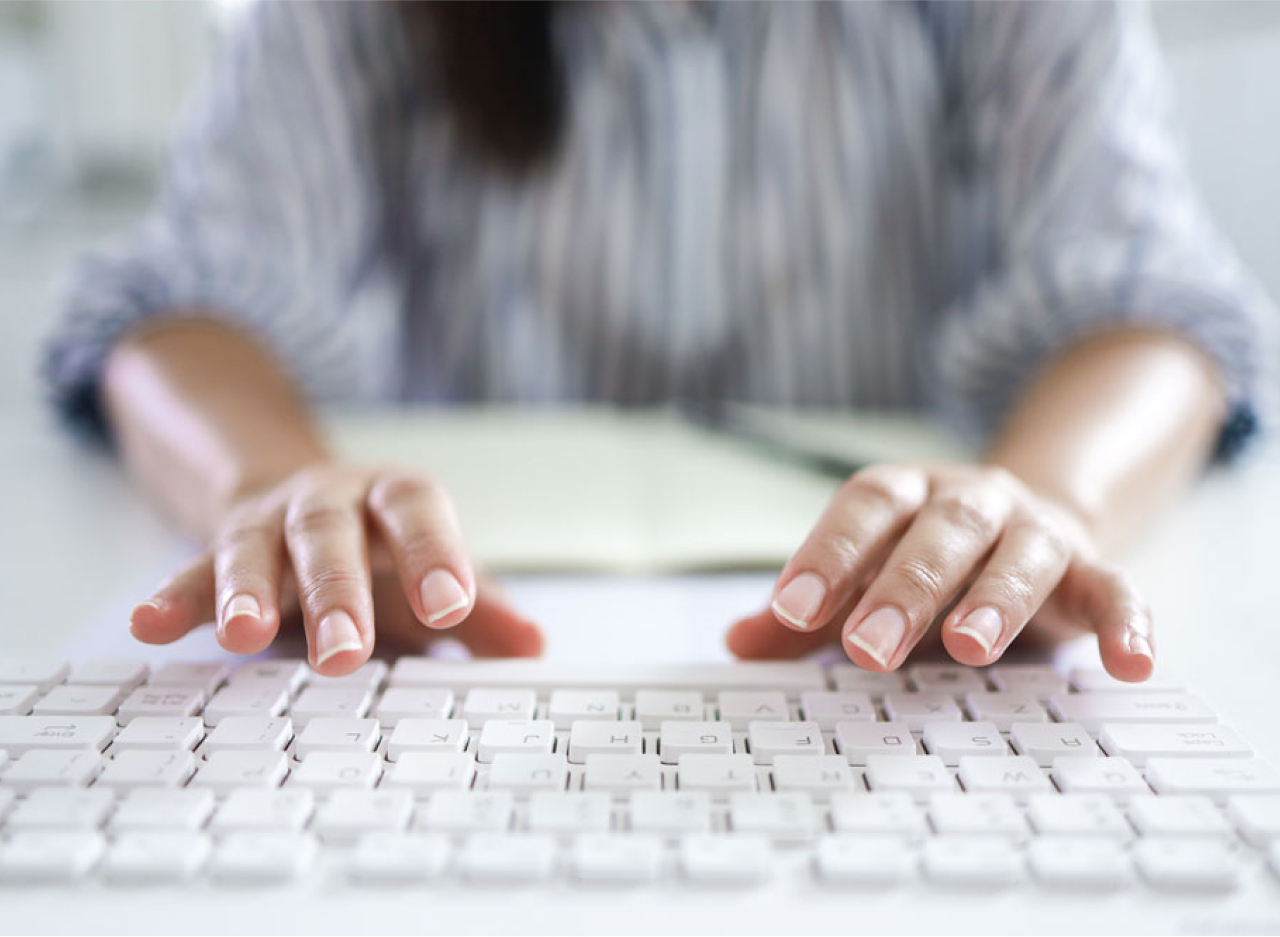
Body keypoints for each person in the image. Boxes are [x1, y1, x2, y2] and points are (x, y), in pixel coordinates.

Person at [44, 1, 1271, 679]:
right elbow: (175, 304)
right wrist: (272, 487)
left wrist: (1040, 497)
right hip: (447, 625)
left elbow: (1155, 302)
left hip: (894, 636)